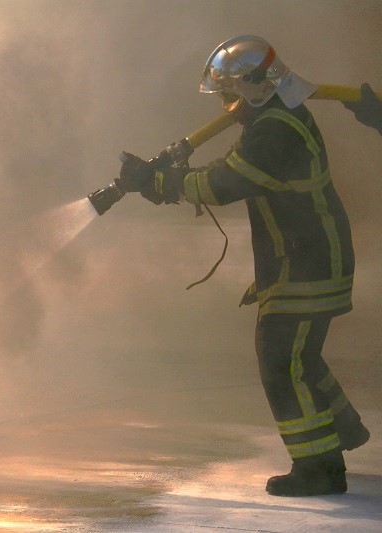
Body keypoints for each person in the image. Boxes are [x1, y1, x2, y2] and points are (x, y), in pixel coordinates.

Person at [119, 35, 370, 497]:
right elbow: (233, 168)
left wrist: (160, 182)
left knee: (279, 359)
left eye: (228, 95)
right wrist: (165, 178)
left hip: (307, 260)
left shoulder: (276, 129)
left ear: (253, 87)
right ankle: (342, 430)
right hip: (305, 255)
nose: (225, 105)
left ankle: (319, 467)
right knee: (299, 354)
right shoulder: (276, 117)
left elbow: (225, 181)